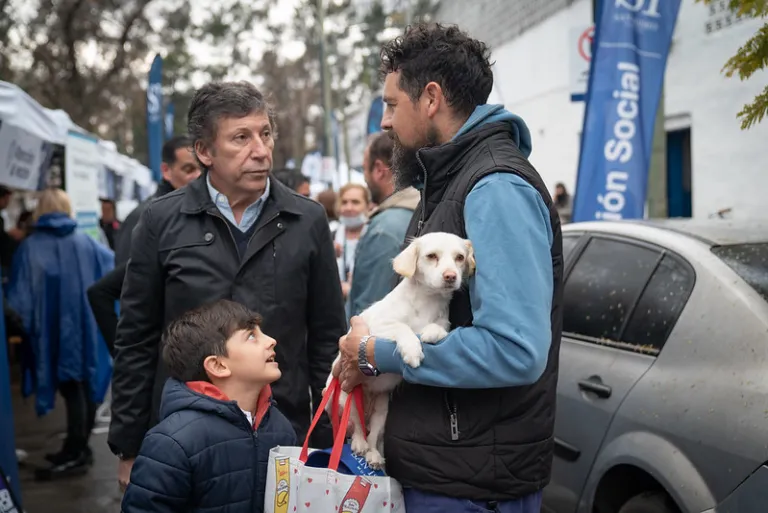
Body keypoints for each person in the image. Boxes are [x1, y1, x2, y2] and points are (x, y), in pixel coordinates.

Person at [333, 23, 563, 512]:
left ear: (431, 98)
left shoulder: (495, 187)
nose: (385, 122)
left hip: (471, 484)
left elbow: (516, 350)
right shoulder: (451, 178)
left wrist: (379, 353)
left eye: (392, 104)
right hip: (450, 470)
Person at [109, 81, 345, 491]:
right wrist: (129, 446)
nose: (261, 150)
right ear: (205, 152)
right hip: (186, 444)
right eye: (241, 137)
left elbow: (326, 339)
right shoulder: (161, 221)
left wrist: (327, 444)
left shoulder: (306, 220)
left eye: (265, 133)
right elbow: (136, 339)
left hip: (284, 436)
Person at [121, 299, 296, 513]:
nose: (271, 340)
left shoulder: (281, 428)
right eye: (251, 336)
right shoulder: (173, 443)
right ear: (218, 365)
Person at [7, 188, 114, 480]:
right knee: (83, 386)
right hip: (86, 329)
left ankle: (76, 451)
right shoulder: (86, 242)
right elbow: (114, 270)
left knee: (71, 389)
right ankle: (76, 447)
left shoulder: (31, 246)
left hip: (52, 333)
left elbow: (20, 297)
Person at [348, 132, 420, 316]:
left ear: (379, 170)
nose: (364, 178)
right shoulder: (423, 209)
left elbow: (369, 310)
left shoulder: (384, 230)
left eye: (364, 169)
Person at [114, 135, 201, 265]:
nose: (198, 175)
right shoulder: (145, 217)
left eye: (203, 169)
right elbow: (124, 277)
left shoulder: (203, 211)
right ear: (166, 171)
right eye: (189, 169)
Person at [334, 183, 370, 302]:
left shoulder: (374, 235)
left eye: (355, 202)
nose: (349, 208)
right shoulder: (331, 236)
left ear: (367, 206)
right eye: (344, 202)